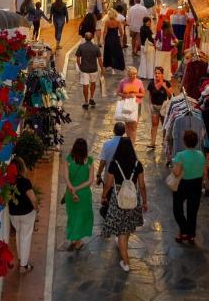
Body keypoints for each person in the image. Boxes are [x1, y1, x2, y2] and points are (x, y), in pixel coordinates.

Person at [101, 137, 148, 271]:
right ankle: (123, 247)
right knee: (127, 227)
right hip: (133, 199)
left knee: (121, 231)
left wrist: (104, 196)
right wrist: (144, 201)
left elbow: (109, 184)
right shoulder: (137, 164)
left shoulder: (114, 164)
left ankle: (126, 263)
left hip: (119, 200)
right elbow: (142, 185)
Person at [171, 129, 206, 244]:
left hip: (183, 185)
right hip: (197, 184)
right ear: (196, 142)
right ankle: (190, 235)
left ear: (184, 142)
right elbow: (205, 172)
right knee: (192, 211)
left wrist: (173, 165)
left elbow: (176, 173)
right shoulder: (201, 154)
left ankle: (184, 231)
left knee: (177, 210)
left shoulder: (180, 155)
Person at [8, 156, 39, 272]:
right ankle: (24, 265)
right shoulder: (25, 182)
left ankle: (21, 259)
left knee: (19, 234)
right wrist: (37, 208)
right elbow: (33, 199)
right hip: (26, 213)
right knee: (25, 237)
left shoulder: (8, 182)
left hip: (13, 214)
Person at [63, 138, 94, 250]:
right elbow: (90, 180)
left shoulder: (68, 160)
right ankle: (77, 241)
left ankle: (74, 239)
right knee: (81, 218)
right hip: (84, 194)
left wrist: (72, 189)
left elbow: (66, 178)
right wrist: (77, 189)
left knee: (72, 216)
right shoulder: (89, 161)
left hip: (70, 194)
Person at [116, 65, 146, 143]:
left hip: (136, 105)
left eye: (135, 74)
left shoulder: (139, 82)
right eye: (132, 74)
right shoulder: (123, 82)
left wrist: (135, 95)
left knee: (134, 126)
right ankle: (128, 141)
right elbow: (118, 92)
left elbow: (143, 94)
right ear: (128, 74)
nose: (133, 76)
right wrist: (126, 95)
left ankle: (132, 143)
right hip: (126, 105)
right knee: (128, 125)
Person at [76, 31, 103, 109]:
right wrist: (102, 68)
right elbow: (100, 59)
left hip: (84, 69)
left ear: (84, 38)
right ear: (92, 38)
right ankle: (91, 98)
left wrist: (80, 66)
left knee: (85, 85)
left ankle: (86, 101)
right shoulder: (95, 47)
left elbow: (78, 59)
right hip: (93, 69)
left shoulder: (81, 46)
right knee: (93, 83)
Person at [146, 66, 171, 148]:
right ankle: (152, 143)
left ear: (162, 74)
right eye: (156, 73)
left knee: (164, 125)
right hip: (154, 107)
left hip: (163, 107)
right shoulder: (151, 83)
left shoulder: (167, 83)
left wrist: (164, 86)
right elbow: (149, 96)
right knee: (154, 124)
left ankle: (164, 141)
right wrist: (150, 105)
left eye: (159, 73)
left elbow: (170, 95)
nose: (157, 75)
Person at [102, 7, 125, 73]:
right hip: (115, 38)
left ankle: (108, 64)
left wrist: (103, 39)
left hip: (108, 38)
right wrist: (121, 37)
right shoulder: (117, 22)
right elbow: (121, 31)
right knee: (117, 51)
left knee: (108, 51)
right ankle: (117, 65)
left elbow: (105, 31)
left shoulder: (107, 22)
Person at [138, 16, 156, 82]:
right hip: (149, 47)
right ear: (147, 22)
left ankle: (143, 74)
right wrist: (154, 43)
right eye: (149, 22)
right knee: (150, 61)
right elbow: (150, 39)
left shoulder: (141, 28)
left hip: (143, 46)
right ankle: (150, 75)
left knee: (143, 61)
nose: (150, 23)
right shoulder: (147, 29)